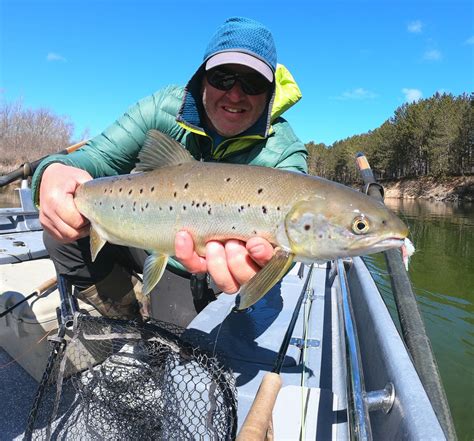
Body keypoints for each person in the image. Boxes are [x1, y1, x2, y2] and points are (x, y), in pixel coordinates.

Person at [32, 17, 307, 320]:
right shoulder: (163, 108)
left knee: (183, 339)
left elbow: (291, 250)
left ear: (269, 93)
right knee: (61, 236)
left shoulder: (284, 152)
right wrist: (53, 170)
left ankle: (157, 305)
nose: (235, 94)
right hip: (139, 236)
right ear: (202, 78)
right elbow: (98, 159)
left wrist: (266, 266)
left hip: (195, 266)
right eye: (223, 78)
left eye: (252, 83)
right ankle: (125, 313)